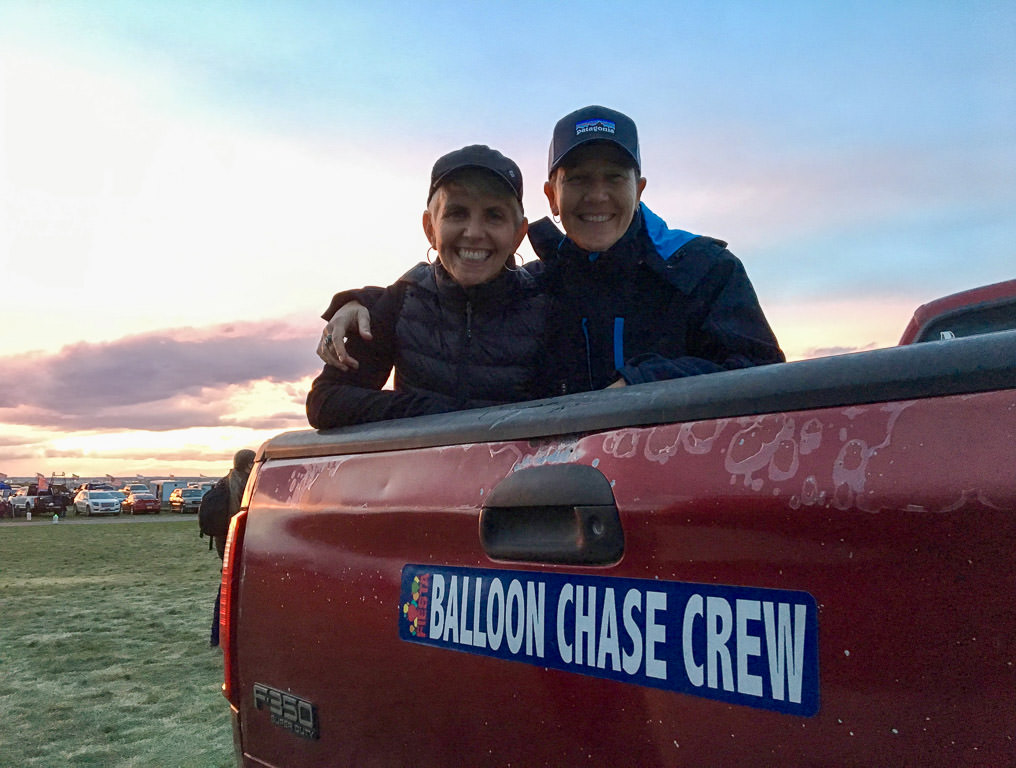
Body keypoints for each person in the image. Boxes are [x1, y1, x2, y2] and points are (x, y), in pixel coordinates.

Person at [319, 106, 784, 396]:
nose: (597, 196)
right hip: (560, 509)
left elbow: (764, 374)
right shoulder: (544, 280)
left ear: (639, 188)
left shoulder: (705, 268)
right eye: (578, 179)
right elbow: (458, 291)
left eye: (614, 178)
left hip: (677, 502)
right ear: (551, 197)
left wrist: (644, 384)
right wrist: (359, 301)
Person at [306, 145, 548, 429]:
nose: (473, 233)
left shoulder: (546, 307)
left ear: (518, 234)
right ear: (430, 228)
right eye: (456, 213)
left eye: (494, 215)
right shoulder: (401, 302)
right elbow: (324, 402)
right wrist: (429, 412)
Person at [210, 447, 255, 647]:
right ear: (247, 466)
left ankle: (217, 635)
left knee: (226, 586)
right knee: (231, 588)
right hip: (235, 540)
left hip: (223, 541)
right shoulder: (243, 485)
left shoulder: (225, 481)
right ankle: (224, 635)